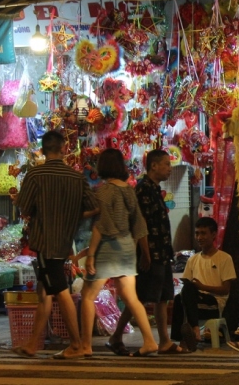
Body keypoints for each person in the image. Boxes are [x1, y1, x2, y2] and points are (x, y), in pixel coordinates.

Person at [12, 131, 99, 359]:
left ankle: (77, 344)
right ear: (63, 149)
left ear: (42, 149)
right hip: (63, 241)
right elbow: (93, 206)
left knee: (59, 290)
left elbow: (25, 208)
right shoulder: (76, 177)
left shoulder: (36, 174)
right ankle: (33, 343)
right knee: (46, 291)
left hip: (45, 242)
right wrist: (73, 215)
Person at [80, 148, 158, 357]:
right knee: (131, 297)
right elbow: (139, 224)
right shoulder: (129, 190)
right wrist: (145, 253)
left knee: (87, 295)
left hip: (108, 248)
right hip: (127, 247)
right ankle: (150, 341)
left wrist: (90, 254)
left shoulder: (105, 191)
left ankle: (85, 345)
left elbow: (101, 226)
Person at [107, 149, 183, 355]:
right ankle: (116, 336)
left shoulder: (155, 189)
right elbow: (141, 226)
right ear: (154, 166)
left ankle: (164, 341)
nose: (169, 168)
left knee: (163, 297)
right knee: (140, 297)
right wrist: (146, 254)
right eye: (166, 164)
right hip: (151, 254)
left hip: (162, 252)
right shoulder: (143, 190)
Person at [170, 217, 236, 352]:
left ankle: (191, 333)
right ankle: (185, 339)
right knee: (180, 297)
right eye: (197, 233)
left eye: (203, 233)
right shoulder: (193, 259)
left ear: (213, 234)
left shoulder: (225, 258)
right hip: (195, 301)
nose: (199, 237)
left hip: (214, 302)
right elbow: (187, 284)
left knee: (188, 292)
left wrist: (202, 287)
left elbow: (225, 289)